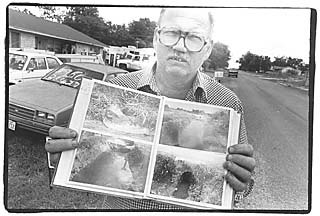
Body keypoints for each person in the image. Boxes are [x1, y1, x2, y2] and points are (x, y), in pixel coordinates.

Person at [45, 8, 255, 209]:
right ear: (156, 38)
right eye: (172, 33)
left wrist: (242, 183)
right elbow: (80, 170)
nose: (180, 47)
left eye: (194, 38)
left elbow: (241, 187)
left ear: (207, 49)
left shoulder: (228, 102)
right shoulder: (117, 89)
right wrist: (64, 160)